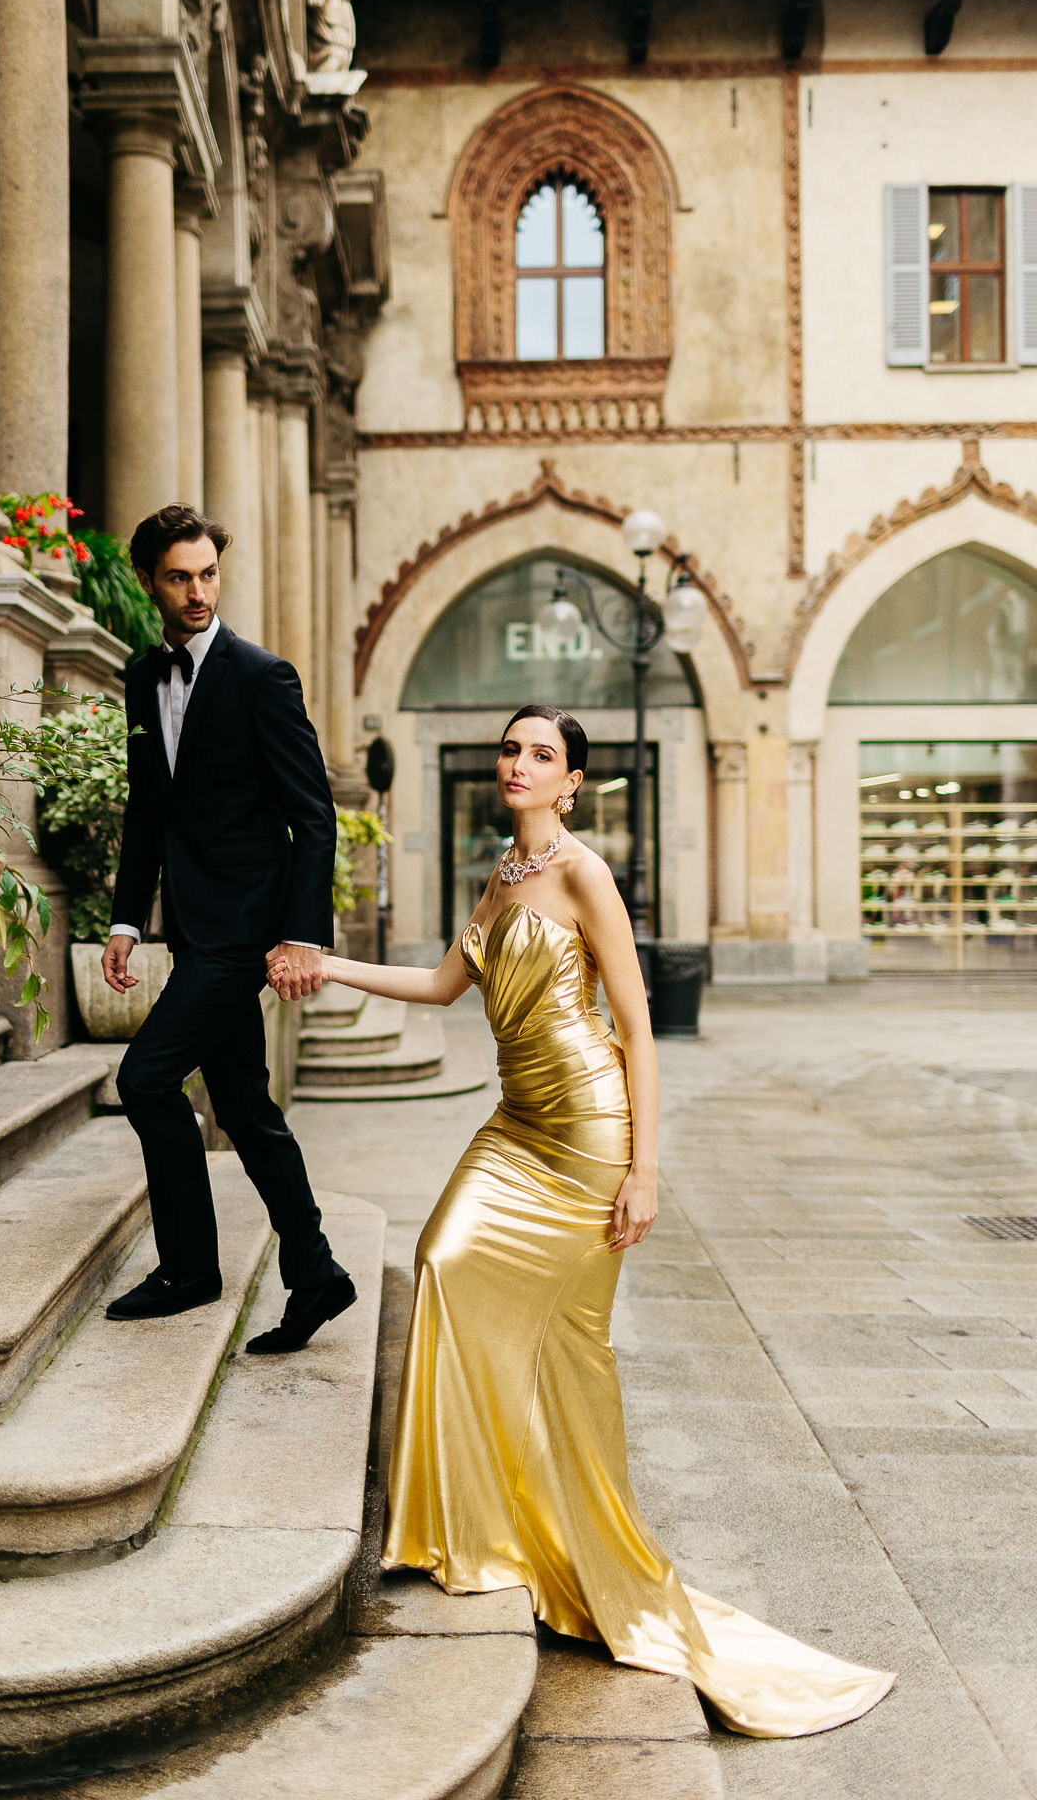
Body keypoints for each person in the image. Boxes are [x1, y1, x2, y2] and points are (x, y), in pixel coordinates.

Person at [268, 705, 896, 1736]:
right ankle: (468, 1529)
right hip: (514, 1124)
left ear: (570, 785)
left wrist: (645, 1170)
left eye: (541, 756)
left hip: (587, 1135)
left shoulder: (581, 873)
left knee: (566, 1351)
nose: (518, 765)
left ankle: (559, 1543)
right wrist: (327, 964)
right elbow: (437, 987)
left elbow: (639, 1028)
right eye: (510, 750)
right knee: (442, 1262)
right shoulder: (501, 878)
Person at [102, 505, 354, 1354]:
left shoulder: (261, 676)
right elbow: (149, 811)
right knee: (245, 1108)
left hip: (245, 928)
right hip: (191, 922)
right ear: (151, 581)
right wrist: (127, 919)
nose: (198, 591)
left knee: (144, 1081)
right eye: (180, 576)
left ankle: (189, 1268)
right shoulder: (144, 676)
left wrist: (302, 936)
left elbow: (313, 816)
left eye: (208, 573)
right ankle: (316, 1274)